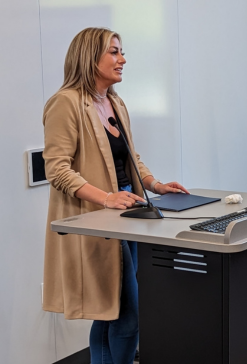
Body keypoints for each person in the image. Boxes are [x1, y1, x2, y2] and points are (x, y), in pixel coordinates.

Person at [42, 27, 188, 364]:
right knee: (127, 313)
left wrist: (155, 184)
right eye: (114, 52)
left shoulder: (115, 102)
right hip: (97, 218)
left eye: (121, 52)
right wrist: (106, 198)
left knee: (113, 309)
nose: (122, 59)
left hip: (129, 211)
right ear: (89, 57)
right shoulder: (65, 104)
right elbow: (58, 170)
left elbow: (130, 157)